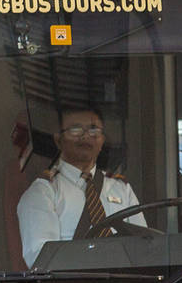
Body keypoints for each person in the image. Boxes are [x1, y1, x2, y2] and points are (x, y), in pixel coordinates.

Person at [15, 106, 144, 266]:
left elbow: (144, 248)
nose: (85, 137)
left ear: (102, 140)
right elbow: (42, 259)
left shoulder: (122, 189)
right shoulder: (43, 191)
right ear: (58, 140)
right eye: (76, 129)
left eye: (93, 130)